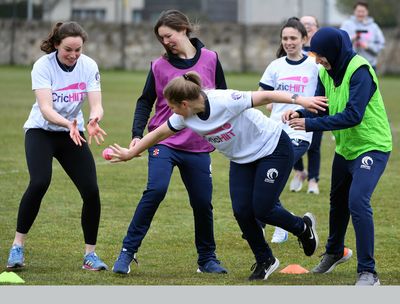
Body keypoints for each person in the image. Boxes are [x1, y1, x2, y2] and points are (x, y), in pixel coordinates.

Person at [108, 71, 326, 281]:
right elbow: (158, 133)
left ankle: (302, 228)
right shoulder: (184, 117)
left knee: (263, 208)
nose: (171, 111)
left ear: (184, 104)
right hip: (242, 159)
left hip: (273, 148)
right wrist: (130, 153)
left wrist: (301, 100)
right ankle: (265, 259)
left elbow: (266, 96)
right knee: (242, 211)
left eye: (173, 106)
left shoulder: (225, 100)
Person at [112, 10, 228, 275]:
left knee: (202, 202)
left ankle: (207, 259)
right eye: (161, 38)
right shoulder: (159, 65)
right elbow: (145, 101)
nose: (166, 42)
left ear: (184, 30)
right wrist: (137, 134)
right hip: (162, 141)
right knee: (156, 190)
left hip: (198, 145)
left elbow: (223, 97)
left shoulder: (211, 59)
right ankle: (127, 253)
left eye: (169, 35)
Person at [284, 27, 392, 286]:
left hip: (372, 146)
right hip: (346, 148)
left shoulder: (360, 70)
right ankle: (334, 252)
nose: (317, 60)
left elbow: (353, 115)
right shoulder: (324, 70)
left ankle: (368, 272)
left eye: (320, 55)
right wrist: (301, 113)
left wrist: (309, 125)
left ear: (334, 51)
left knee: (357, 201)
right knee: (338, 202)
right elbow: (322, 107)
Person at [6, 22, 108, 271]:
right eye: (67, 50)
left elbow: (96, 103)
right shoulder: (43, 66)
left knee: (91, 191)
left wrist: (94, 118)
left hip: (72, 133)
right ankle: (17, 247)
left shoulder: (89, 66)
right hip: (41, 131)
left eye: (78, 50)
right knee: (40, 181)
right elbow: (46, 109)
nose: (73, 55)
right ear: (55, 45)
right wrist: (68, 123)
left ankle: (90, 256)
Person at [258, 17, 319, 243]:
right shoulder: (275, 66)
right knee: (266, 177)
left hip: (300, 132)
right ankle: (285, 220)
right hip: (274, 132)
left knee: (274, 173)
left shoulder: (314, 66)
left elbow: (324, 95)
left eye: (293, 38)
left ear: (304, 39)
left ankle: (277, 222)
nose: (289, 42)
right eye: (285, 38)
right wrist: (269, 103)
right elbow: (262, 94)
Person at [290, 15, 323, 195]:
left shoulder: (320, 54)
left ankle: (313, 179)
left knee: (314, 144)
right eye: (304, 25)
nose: (307, 27)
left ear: (317, 28)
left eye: (311, 24)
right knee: (290, 140)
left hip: (314, 104)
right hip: (293, 103)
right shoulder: (292, 51)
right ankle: (299, 171)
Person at [340, 1, 385, 71]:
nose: (360, 14)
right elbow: (340, 41)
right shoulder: (346, 25)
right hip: (349, 64)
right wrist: (352, 38)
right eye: (358, 11)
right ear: (354, 11)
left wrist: (368, 47)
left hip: (369, 65)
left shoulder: (374, 27)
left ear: (367, 12)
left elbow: (381, 44)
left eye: (363, 11)